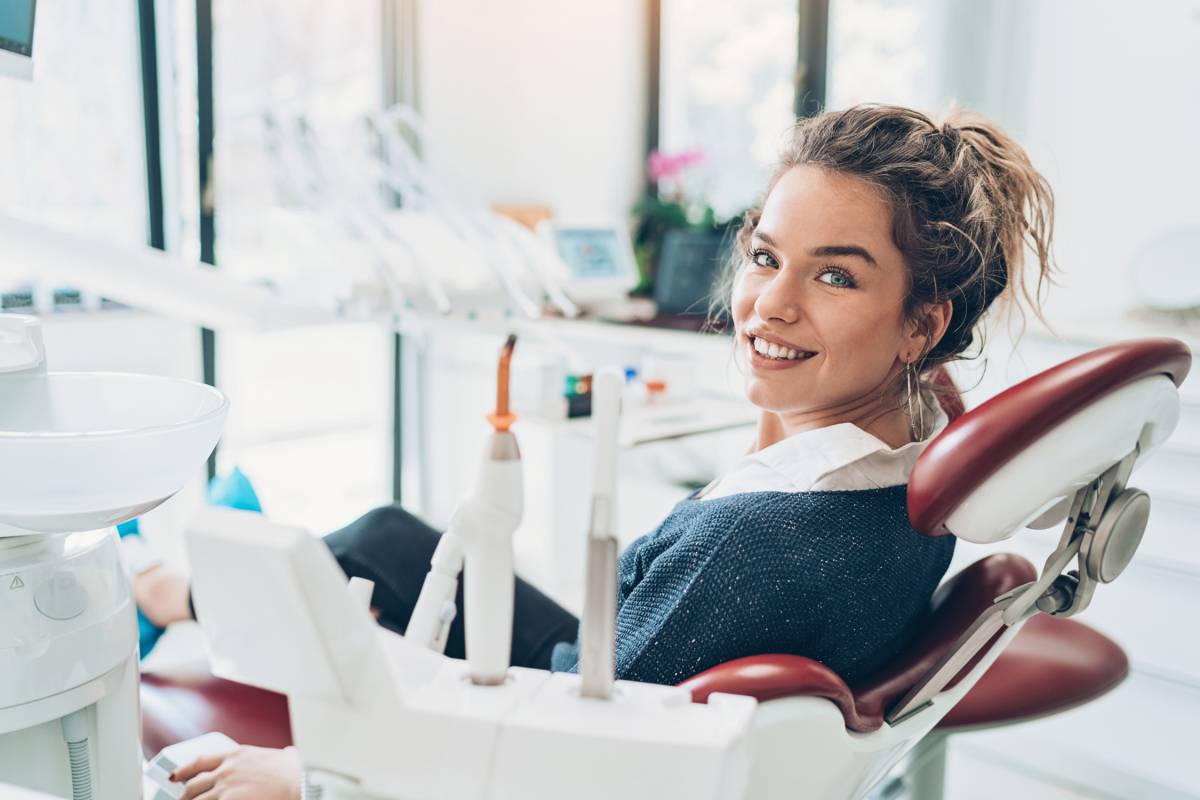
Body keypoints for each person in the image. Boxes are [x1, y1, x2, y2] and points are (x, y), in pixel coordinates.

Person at [163, 103, 1055, 799]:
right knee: (390, 538)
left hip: (555, 713)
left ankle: (163, 597)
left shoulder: (750, 551)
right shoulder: (924, 453)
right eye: (764, 256)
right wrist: (777, 414)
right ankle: (175, 594)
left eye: (835, 275)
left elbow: (571, 758)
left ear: (922, 322)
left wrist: (308, 778)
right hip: (627, 661)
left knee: (369, 558)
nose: (766, 307)